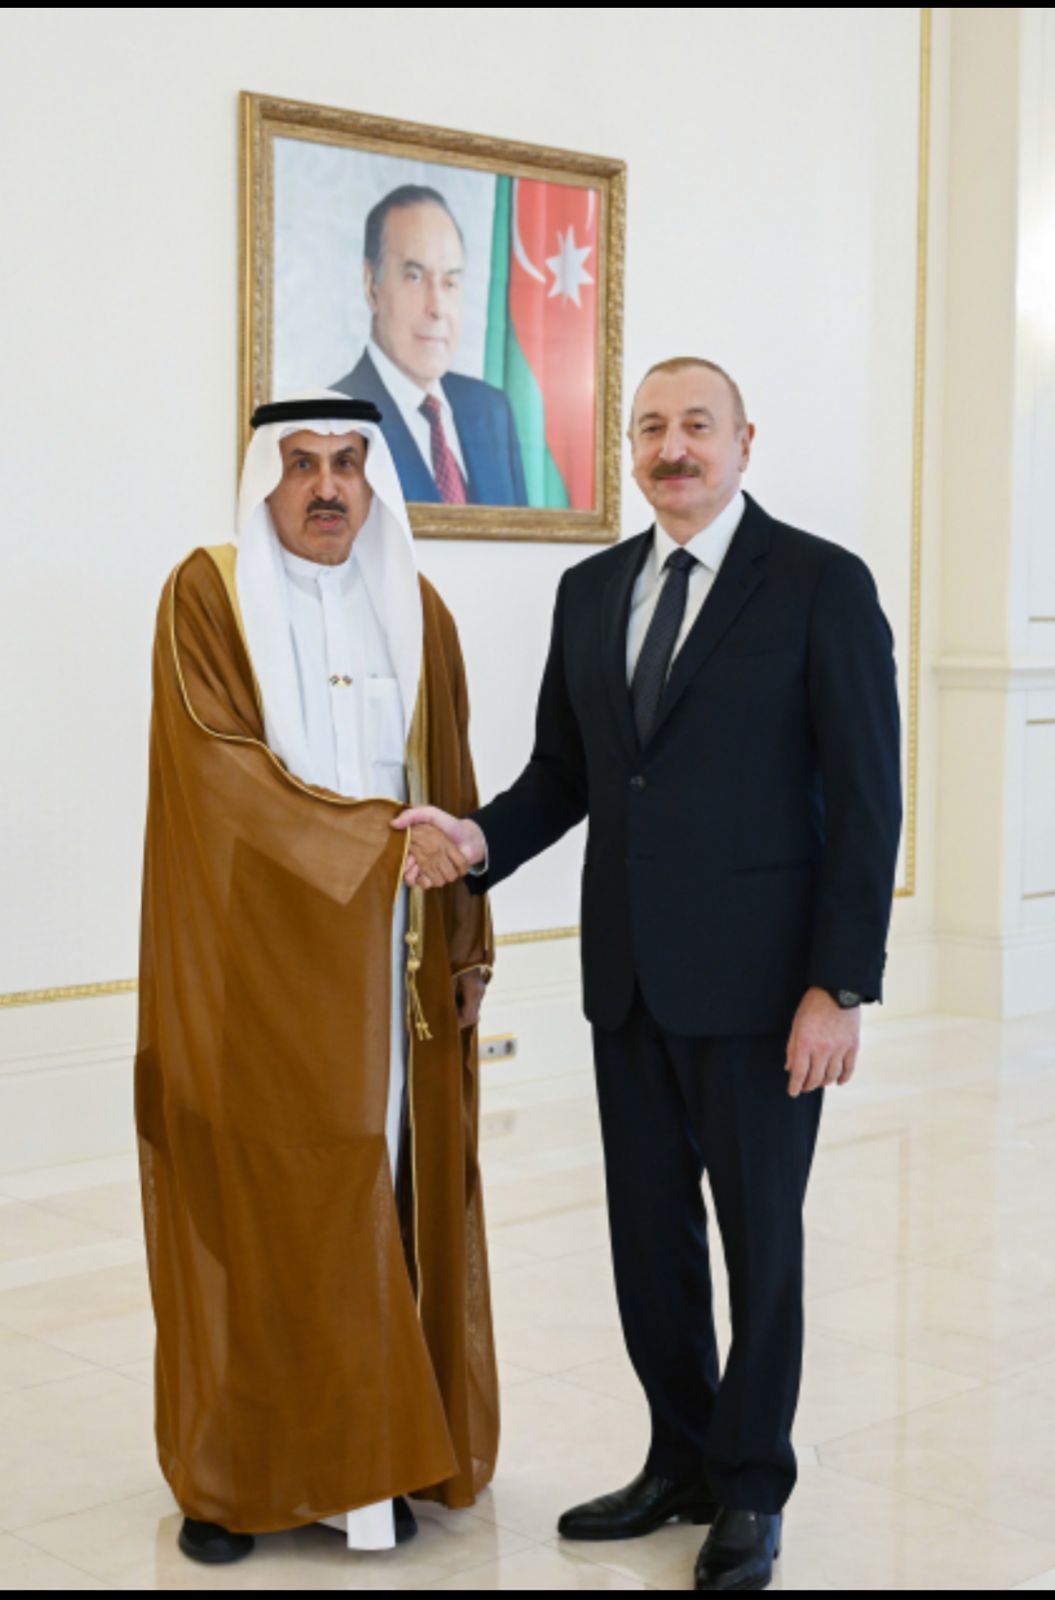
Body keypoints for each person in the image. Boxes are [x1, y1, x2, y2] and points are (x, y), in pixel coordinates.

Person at [393, 357, 902, 1592]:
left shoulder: (820, 584)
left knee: (759, 1249)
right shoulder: (591, 590)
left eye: (695, 426)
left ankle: (750, 1484)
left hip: (766, 994)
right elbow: (566, 774)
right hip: (627, 981)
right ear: (628, 449)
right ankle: (679, 1457)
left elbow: (868, 799)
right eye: (649, 428)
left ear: (743, 441)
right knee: (648, 1242)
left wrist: (836, 985)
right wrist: (475, 840)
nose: (671, 448)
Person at [135, 391, 498, 1566]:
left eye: (347, 462)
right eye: (302, 464)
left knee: (377, 1198)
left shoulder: (418, 608)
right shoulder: (207, 596)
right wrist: (373, 848)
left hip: (391, 976)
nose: (328, 486)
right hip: (259, 972)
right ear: (266, 478)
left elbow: (451, 781)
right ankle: (234, 1477)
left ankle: (371, 1464)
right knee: (254, 1210)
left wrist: (465, 943)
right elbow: (218, 770)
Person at [331, 184, 527, 506]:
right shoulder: (332, 422)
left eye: (450, 282)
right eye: (415, 277)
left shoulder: (493, 412)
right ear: (371, 286)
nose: (437, 308)